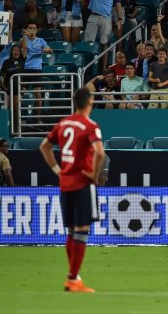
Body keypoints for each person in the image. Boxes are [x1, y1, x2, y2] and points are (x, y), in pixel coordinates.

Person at [39, 86, 105, 293]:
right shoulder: (90, 125)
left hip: (65, 183)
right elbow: (100, 154)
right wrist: (94, 176)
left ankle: (73, 276)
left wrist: (58, 170)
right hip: (83, 184)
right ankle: (73, 278)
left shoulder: (63, 122)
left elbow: (44, 146)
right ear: (90, 103)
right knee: (82, 231)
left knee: (70, 231)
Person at [84, 0, 122, 71]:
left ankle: (104, 68)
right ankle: (87, 68)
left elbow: (118, 3)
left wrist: (119, 19)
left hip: (106, 18)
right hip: (93, 16)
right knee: (88, 43)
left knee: (105, 43)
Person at [21, 20, 53, 116]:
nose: (32, 30)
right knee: (22, 95)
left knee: (38, 96)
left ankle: (38, 118)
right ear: (27, 29)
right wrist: (24, 37)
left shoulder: (41, 41)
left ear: (36, 30)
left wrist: (48, 49)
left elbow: (51, 50)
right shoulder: (23, 40)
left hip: (37, 70)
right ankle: (22, 117)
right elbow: (23, 54)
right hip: (25, 70)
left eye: (34, 28)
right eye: (30, 28)